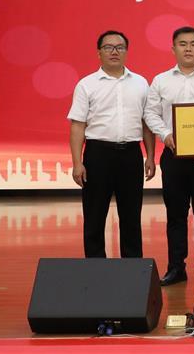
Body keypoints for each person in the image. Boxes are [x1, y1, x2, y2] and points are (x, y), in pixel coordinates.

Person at [144, 27, 194, 286]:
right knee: (176, 215)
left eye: (193, 43)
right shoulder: (161, 81)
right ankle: (176, 267)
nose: (188, 48)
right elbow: (150, 113)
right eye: (182, 44)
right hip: (174, 156)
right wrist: (166, 134)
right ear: (173, 49)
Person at [67, 30, 155, 258]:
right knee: (94, 216)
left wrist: (150, 156)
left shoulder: (141, 83)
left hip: (131, 154)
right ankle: (96, 266)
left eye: (120, 47)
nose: (114, 51)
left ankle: (132, 267)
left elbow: (147, 123)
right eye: (108, 47)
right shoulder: (86, 84)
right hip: (98, 155)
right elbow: (78, 126)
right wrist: (77, 163)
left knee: (131, 216)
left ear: (126, 51)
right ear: (99, 53)